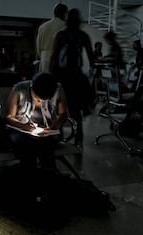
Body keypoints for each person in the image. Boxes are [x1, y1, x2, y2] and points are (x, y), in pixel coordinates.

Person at [6, 72, 68, 171]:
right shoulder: (19, 89)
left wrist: (54, 126)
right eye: (38, 97)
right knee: (27, 144)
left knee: (45, 143)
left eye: (47, 98)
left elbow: (63, 114)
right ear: (31, 87)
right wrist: (24, 126)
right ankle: (33, 172)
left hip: (48, 131)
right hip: (21, 130)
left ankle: (47, 172)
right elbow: (9, 117)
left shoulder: (57, 89)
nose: (42, 101)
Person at [50, 8, 94, 147]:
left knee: (60, 106)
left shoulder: (61, 35)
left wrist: (52, 76)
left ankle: (60, 134)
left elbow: (54, 57)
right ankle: (79, 136)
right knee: (76, 109)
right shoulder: (83, 36)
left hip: (62, 76)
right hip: (76, 76)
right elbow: (92, 58)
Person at [36, 3, 68, 72]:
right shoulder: (66, 27)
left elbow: (38, 47)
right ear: (64, 13)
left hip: (44, 56)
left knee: (44, 80)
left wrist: (43, 55)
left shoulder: (43, 26)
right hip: (58, 58)